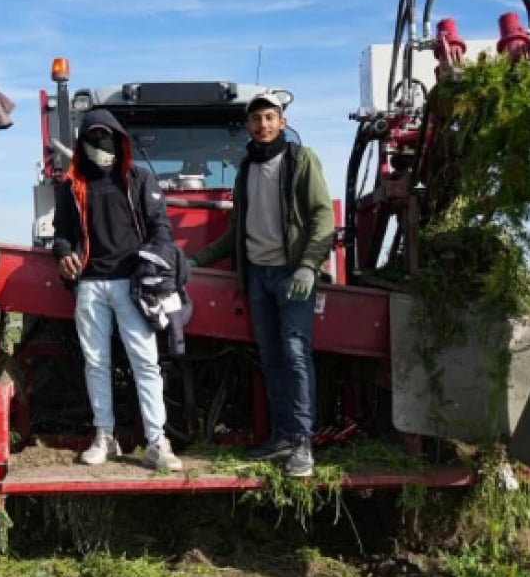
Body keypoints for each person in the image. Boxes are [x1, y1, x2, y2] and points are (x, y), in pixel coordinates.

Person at [188, 93, 335, 477]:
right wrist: (194, 262)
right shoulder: (246, 169)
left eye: (269, 117)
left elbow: (322, 216)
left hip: (292, 276)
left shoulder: (302, 160)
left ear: (282, 122)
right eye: (256, 119)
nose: (263, 125)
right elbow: (236, 231)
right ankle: (283, 436)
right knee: (270, 356)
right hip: (257, 275)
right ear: (248, 127)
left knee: (296, 353)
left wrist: (308, 266)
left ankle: (302, 443)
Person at [52, 108, 183, 472]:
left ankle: (157, 442)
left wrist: (154, 263)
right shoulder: (71, 186)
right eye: (93, 139)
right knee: (96, 364)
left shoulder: (139, 179)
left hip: (133, 284)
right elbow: (62, 232)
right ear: (82, 143)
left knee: (145, 363)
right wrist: (62, 253)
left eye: (106, 138)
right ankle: (104, 437)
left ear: (119, 140)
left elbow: (161, 228)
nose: (100, 145)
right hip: (90, 284)